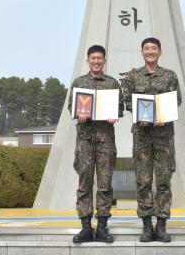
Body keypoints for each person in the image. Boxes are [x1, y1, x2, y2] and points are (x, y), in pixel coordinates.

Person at [122, 37, 182, 243]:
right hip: (142, 136)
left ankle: (162, 226)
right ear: (142, 52)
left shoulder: (169, 75)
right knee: (143, 182)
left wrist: (162, 117)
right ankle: (147, 227)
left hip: (164, 137)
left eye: (153, 48)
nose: (150, 51)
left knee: (164, 181)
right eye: (146, 48)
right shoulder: (133, 76)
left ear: (160, 51)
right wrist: (142, 117)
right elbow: (127, 101)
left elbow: (177, 100)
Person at [68, 45, 123, 244]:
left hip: (106, 140)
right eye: (93, 58)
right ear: (88, 60)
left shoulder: (112, 83)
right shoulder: (79, 82)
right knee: (84, 183)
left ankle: (101, 226)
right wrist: (78, 114)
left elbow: (120, 106)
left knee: (105, 184)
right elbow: (71, 107)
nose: (96, 61)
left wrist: (114, 115)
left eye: (100, 58)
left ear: (104, 60)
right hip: (85, 140)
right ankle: (85, 227)